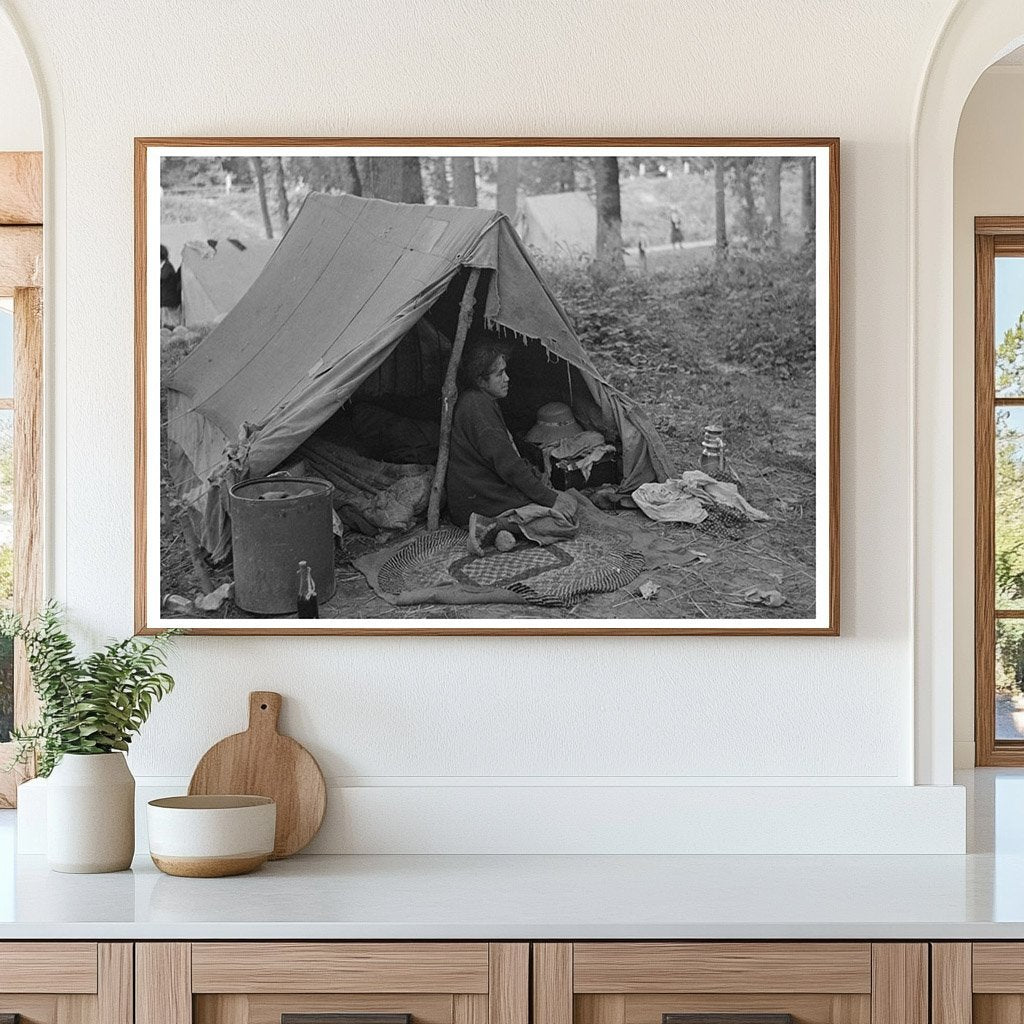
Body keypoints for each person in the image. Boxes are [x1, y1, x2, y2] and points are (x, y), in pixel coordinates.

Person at [447, 339, 579, 555]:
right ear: (481, 380)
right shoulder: (477, 408)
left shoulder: (479, 400)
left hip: (476, 495)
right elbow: (508, 466)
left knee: (564, 503)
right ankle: (493, 525)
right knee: (565, 520)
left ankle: (499, 531)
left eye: (505, 372)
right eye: (499, 374)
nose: (507, 379)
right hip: (481, 497)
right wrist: (550, 499)